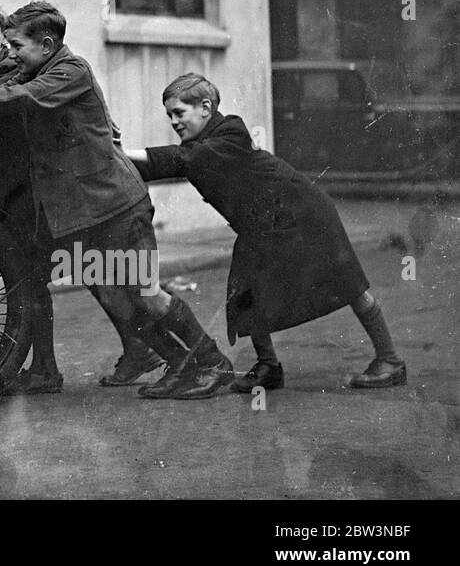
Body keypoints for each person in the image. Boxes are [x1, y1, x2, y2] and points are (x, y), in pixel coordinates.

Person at [0, 1, 235, 400]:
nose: (10, 54)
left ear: (46, 45)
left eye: (16, 46)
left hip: (115, 205)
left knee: (145, 293)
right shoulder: (41, 68)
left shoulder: (69, 71)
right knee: (120, 292)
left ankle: (213, 364)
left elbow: (22, 97)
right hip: (89, 212)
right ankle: (182, 365)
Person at [126, 72, 406, 393]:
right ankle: (269, 366)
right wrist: (114, 155)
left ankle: (390, 360)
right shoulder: (197, 144)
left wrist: (117, 152)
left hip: (303, 212)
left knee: (348, 284)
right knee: (247, 289)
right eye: (169, 115)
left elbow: (183, 160)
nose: (173, 121)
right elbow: (168, 164)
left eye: (179, 112)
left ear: (205, 107)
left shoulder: (230, 132)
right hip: (262, 224)